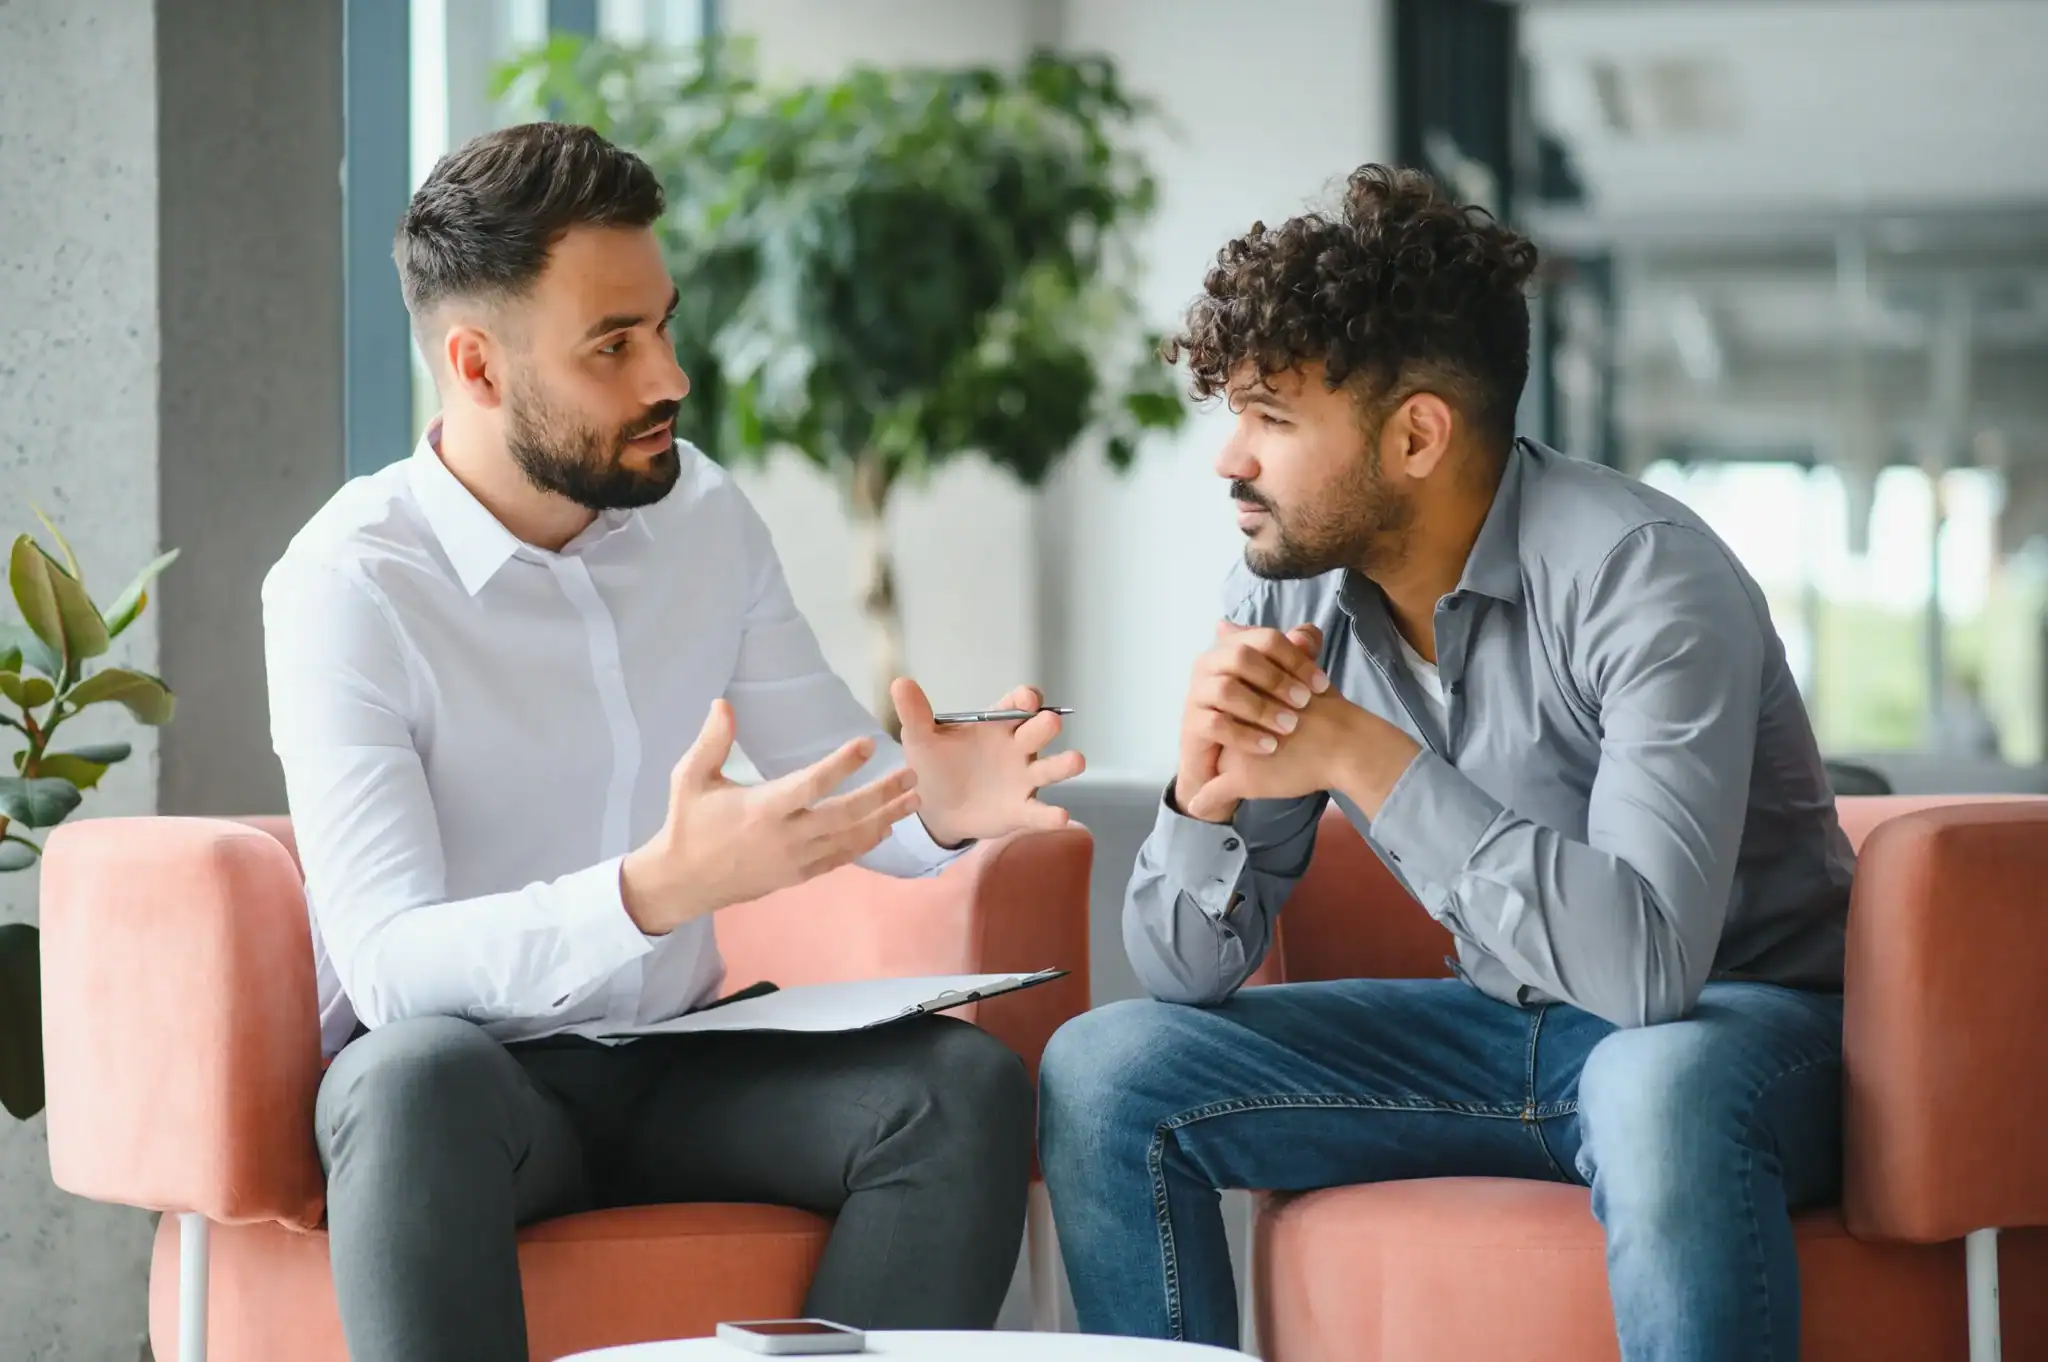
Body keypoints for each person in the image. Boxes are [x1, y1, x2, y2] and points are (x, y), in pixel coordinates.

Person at [262, 123, 1084, 1362]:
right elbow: (389, 970)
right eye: (613, 345)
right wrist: (651, 893)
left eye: (662, 326)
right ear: (476, 367)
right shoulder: (348, 583)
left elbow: (833, 775)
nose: (671, 377)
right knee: (411, 1080)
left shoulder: (700, 512)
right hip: (481, 1089)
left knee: (956, 1090)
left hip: (679, 1059)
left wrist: (938, 804)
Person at [1037, 165, 1855, 1361]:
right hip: (1492, 1031)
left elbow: (1645, 976)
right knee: (1105, 1069)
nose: (1229, 458)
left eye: (1271, 419)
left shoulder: (1642, 575)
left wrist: (1364, 756)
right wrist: (1197, 805)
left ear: (1415, 434)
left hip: (1740, 1032)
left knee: (1649, 1084)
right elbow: (1183, 974)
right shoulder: (1287, 593)